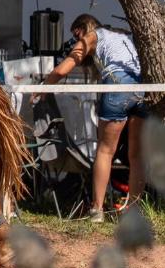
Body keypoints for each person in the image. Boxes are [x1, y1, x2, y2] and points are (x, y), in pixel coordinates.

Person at [41, 13, 150, 222]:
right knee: (137, 155)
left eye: (76, 34)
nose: (76, 41)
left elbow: (64, 68)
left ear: (85, 26)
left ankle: (97, 210)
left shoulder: (92, 36)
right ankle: (135, 210)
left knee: (105, 150)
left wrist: (44, 87)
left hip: (117, 88)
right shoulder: (122, 35)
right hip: (141, 89)